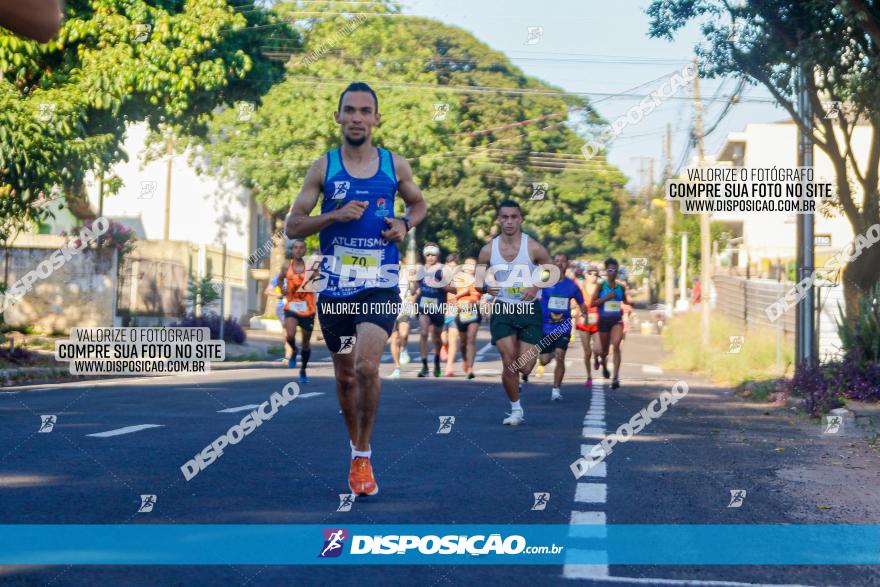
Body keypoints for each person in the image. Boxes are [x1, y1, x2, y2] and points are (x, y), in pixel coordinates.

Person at [285, 81, 427, 497]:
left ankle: (364, 455)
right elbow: (293, 225)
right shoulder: (323, 168)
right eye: (350, 110)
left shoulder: (394, 166)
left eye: (366, 111)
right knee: (346, 378)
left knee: (368, 366)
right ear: (339, 117)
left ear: (376, 119)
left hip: (379, 286)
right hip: (334, 289)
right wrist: (334, 216)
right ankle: (355, 450)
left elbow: (418, 204)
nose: (358, 117)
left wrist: (404, 224)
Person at [478, 200, 553, 426]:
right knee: (509, 361)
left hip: (530, 310)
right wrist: (484, 287)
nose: (509, 221)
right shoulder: (488, 250)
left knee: (525, 366)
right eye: (505, 217)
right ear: (499, 220)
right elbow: (477, 279)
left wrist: (535, 287)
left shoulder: (534, 247)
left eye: (514, 217)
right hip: (503, 307)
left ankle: (534, 360)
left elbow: (552, 270)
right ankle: (516, 409)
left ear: (520, 219)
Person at [536, 253, 588, 401]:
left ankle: (556, 390)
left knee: (561, 356)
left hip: (563, 327)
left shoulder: (572, 286)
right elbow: (531, 297)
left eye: (562, 261)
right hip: (545, 328)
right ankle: (550, 354)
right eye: (556, 261)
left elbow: (582, 304)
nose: (559, 264)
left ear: (567, 264)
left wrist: (585, 313)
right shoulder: (543, 282)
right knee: (544, 360)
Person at [275, 239, 317, 383]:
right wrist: (283, 288)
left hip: (308, 309)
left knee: (306, 343)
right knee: (290, 335)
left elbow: (319, 281)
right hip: (292, 306)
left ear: (305, 251)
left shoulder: (310, 266)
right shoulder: (287, 265)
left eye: (301, 248)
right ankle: (293, 351)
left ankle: (303, 369)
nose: (298, 250)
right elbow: (280, 280)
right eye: (296, 248)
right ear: (293, 251)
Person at [590, 257, 632, 390]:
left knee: (617, 345)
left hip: (616, 321)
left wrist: (629, 303)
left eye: (615, 270)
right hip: (603, 321)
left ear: (617, 271)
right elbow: (592, 303)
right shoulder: (601, 286)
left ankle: (615, 378)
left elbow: (625, 300)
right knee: (604, 351)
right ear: (606, 271)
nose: (612, 272)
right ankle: (603, 364)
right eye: (610, 270)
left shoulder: (621, 287)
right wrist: (606, 298)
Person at [414, 243, 453, 377]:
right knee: (424, 333)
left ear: (437, 255)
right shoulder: (420, 269)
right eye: (428, 255)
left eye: (433, 255)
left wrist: (441, 284)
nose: (430, 257)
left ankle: (436, 361)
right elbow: (415, 289)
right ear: (425, 255)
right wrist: (412, 283)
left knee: (437, 338)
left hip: (438, 307)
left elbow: (454, 289)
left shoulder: (444, 269)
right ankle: (424, 366)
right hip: (423, 306)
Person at [452, 257, 482, 380]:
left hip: (474, 311)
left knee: (471, 339)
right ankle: (465, 359)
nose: (470, 268)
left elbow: (484, 293)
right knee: (463, 343)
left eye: (472, 266)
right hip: (461, 312)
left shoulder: (479, 281)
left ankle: (470, 369)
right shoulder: (458, 279)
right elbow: (450, 294)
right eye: (468, 265)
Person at [574, 264, 603, 387]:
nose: (593, 276)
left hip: (597, 322)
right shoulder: (581, 287)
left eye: (595, 274)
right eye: (590, 273)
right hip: (583, 322)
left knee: (598, 349)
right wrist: (576, 313)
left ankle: (596, 358)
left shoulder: (600, 288)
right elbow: (575, 302)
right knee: (587, 352)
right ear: (586, 274)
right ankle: (589, 377)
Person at [389, 267, 418, 379]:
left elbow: (414, 290)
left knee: (404, 333)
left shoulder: (406, 274)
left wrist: (412, 281)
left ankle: (403, 349)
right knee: (394, 339)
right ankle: (397, 368)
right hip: (390, 309)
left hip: (404, 307)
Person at [441, 253, 460, 376]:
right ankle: (444, 345)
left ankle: (449, 366)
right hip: (442, 310)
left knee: (453, 338)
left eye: (454, 267)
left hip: (455, 311)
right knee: (443, 338)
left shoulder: (461, 278)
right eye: (449, 267)